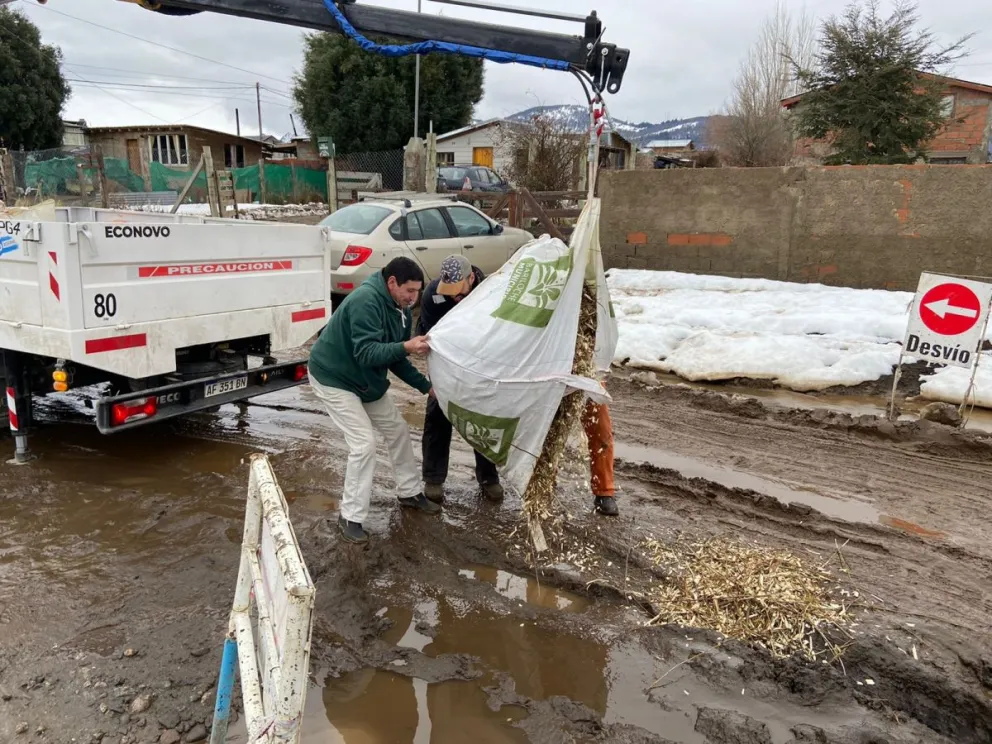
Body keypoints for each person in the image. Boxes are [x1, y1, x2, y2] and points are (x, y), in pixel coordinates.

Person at [308, 256, 440, 545]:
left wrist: (427, 387)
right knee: (364, 444)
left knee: (398, 430)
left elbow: (395, 358)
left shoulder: (401, 308)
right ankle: (350, 517)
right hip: (334, 377)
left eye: (417, 291)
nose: (414, 298)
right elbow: (367, 352)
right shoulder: (366, 301)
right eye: (409, 291)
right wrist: (406, 345)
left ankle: (409, 493)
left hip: (364, 379)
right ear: (391, 282)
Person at [417, 255, 504, 504]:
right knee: (438, 412)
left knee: (481, 415)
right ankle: (433, 478)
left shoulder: (489, 292)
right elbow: (432, 336)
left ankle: (488, 477)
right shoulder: (433, 294)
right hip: (445, 357)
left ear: (472, 278)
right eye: (450, 292)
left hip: (480, 358)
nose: (455, 296)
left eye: (459, 291)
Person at [583, 399, 619, 516]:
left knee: (601, 430)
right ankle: (543, 478)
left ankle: (604, 492)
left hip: (589, 383)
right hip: (547, 382)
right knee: (546, 427)